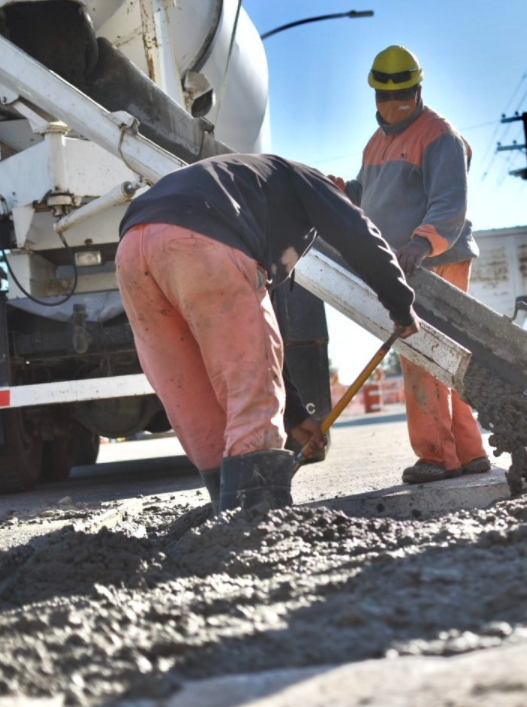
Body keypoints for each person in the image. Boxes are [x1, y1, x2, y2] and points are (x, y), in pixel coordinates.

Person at [116, 154, 418, 513]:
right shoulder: (312, 179)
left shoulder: (255, 195)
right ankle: (255, 521)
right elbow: (359, 235)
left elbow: (260, 341)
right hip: (202, 244)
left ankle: (224, 515)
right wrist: (400, 305)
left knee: (193, 399)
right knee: (249, 397)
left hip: (132, 250)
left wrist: (294, 416)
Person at [329, 44, 491, 484]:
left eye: (404, 94)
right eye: (387, 96)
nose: (395, 103)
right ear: (375, 95)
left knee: (423, 356)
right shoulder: (376, 143)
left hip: (436, 259)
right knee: (444, 359)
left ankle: (438, 456)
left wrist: (423, 243)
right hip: (403, 262)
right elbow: (369, 195)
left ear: (418, 90)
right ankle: (470, 453)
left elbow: (449, 203)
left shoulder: (440, 136)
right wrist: (344, 191)